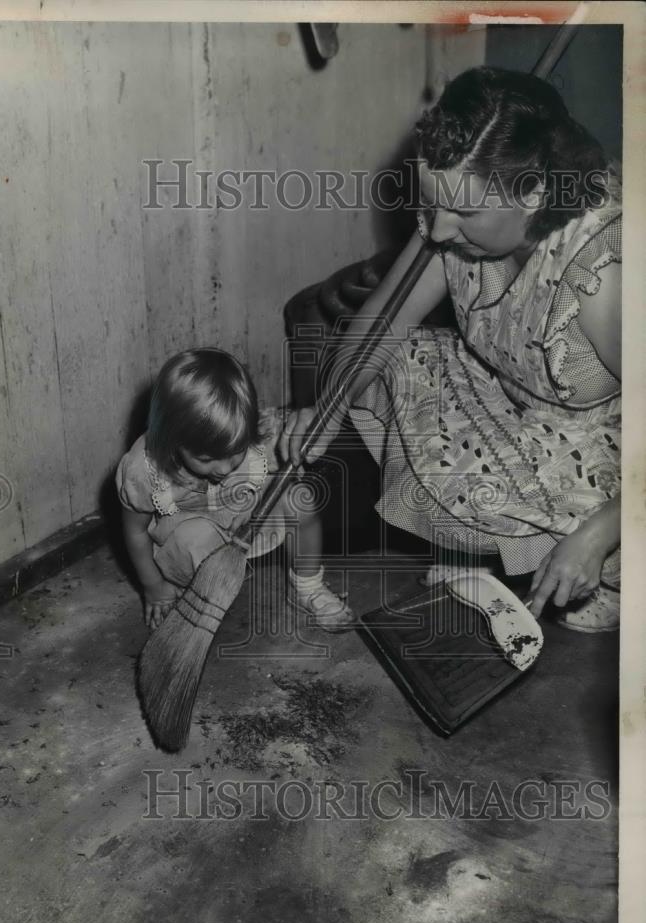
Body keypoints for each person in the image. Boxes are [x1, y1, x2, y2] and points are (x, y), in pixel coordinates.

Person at [280, 67, 621, 632]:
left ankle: (611, 567)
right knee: (398, 363)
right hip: (522, 404)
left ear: (533, 193)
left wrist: (599, 533)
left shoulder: (603, 276)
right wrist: (329, 407)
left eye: (462, 213)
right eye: (432, 204)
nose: (435, 232)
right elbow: (379, 327)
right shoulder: (456, 209)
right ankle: (486, 548)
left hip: (613, 444)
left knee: (598, 532)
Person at [118, 347, 354, 631]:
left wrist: (306, 429)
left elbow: (295, 434)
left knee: (299, 500)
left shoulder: (256, 431)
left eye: (237, 452)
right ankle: (196, 594)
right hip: (189, 544)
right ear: (171, 440)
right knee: (197, 537)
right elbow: (135, 531)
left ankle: (307, 585)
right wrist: (153, 585)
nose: (225, 469)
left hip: (245, 521)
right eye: (206, 459)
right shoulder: (145, 469)